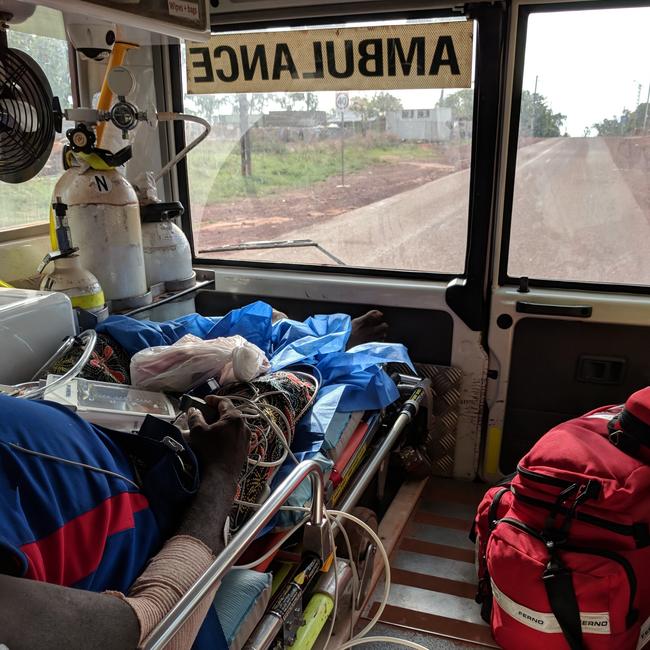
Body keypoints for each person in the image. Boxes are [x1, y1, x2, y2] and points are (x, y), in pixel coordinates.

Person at [0, 392, 248, 650]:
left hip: (136, 454)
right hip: (180, 525)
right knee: (278, 399)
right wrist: (223, 473)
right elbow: (158, 630)